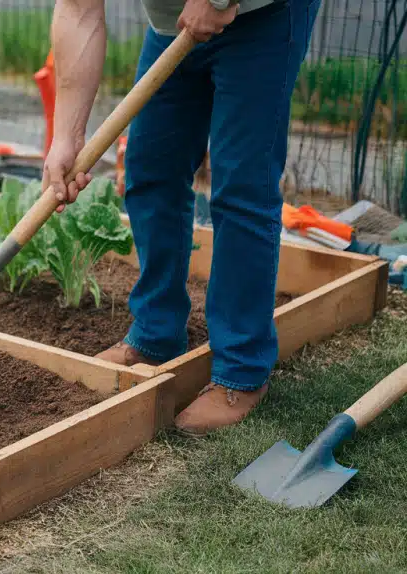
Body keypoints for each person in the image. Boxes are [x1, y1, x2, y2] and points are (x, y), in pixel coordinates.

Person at [43, 0, 320, 435]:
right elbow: (79, 10)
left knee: (241, 185)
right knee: (151, 167)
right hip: (173, 22)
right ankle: (157, 333)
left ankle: (241, 369)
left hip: (263, 13)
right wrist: (66, 136)